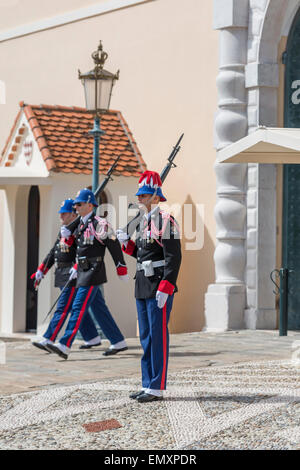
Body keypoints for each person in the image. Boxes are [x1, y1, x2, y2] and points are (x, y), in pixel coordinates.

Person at [116, 171, 182, 403]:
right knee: (145, 336)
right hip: (143, 283)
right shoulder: (144, 222)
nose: (140, 198)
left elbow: (174, 257)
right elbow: (142, 254)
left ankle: (157, 386)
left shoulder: (166, 221)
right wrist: (127, 244)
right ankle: (147, 383)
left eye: (144, 194)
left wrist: (166, 286)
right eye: (140, 195)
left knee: (157, 335)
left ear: (155, 196)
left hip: (158, 286)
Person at [47, 188, 128, 360]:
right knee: (99, 309)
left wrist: (121, 266)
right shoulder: (80, 224)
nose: (75, 207)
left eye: (79, 204)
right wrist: (75, 264)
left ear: (90, 205)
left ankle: (65, 343)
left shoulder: (100, 223)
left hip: (93, 271)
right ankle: (118, 340)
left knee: (78, 307)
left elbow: (113, 245)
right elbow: (79, 249)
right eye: (75, 204)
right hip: (82, 270)